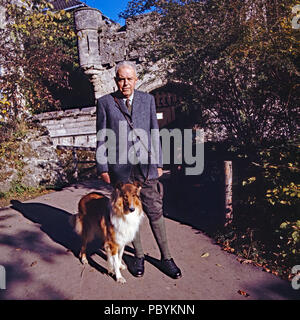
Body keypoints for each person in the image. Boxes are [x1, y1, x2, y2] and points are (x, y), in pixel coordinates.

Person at [96, 61, 182, 279]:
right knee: (128, 213)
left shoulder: (148, 100)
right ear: (116, 81)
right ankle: (139, 257)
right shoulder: (105, 102)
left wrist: (160, 163)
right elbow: (102, 138)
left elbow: (154, 132)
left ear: (136, 80)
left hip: (146, 168)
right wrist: (102, 167)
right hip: (121, 170)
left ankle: (166, 258)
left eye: (129, 79)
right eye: (121, 79)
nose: (125, 83)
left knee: (154, 210)